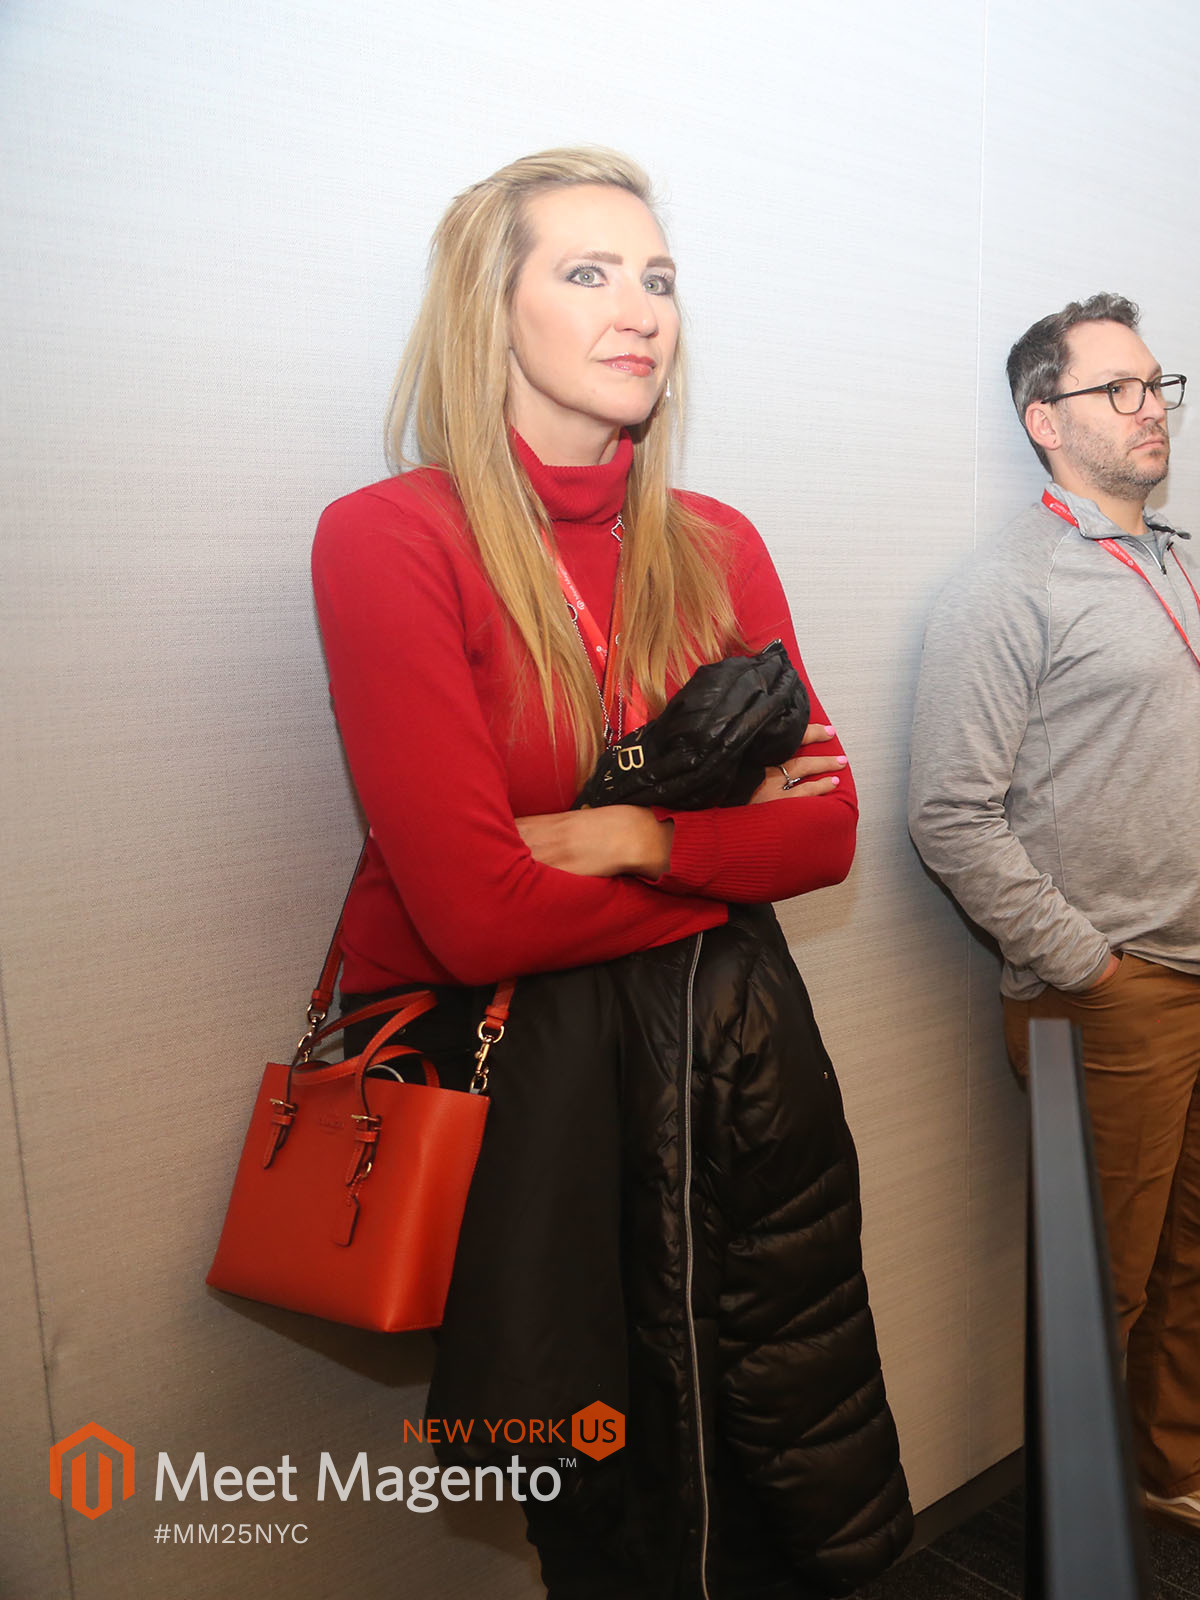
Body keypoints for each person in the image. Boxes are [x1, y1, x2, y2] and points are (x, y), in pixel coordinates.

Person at [312, 149, 909, 1594]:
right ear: (491, 308)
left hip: (723, 1069)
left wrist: (639, 837)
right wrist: (724, 858)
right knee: (604, 1501)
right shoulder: (392, 538)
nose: (639, 308)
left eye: (658, 278)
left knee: (761, 1447)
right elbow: (475, 917)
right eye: (587, 272)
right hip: (530, 1092)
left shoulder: (715, 544)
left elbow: (827, 834)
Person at [906, 295, 1200, 1571]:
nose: (1150, 409)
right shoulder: (1004, 589)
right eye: (1116, 390)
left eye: (1156, 384)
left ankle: (1176, 1470)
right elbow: (951, 814)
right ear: (1044, 420)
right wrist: (1089, 967)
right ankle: (1075, 1543)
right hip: (1115, 995)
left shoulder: (1175, 562)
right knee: (1100, 1284)